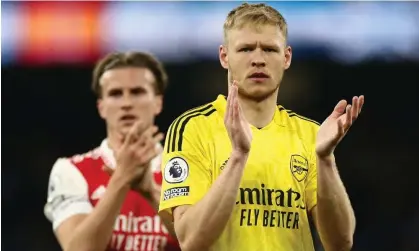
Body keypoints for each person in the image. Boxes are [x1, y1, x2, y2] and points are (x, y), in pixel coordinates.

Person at [158, 3, 364, 251]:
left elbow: (340, 243)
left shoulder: (310, 134)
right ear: (224, 56)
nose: (258, 59)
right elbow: (191, 240)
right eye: (245, 49)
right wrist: (238, 156)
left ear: (286, 57)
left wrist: (325, 158)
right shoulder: (191, 128)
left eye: (269, 49)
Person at [44, 52, 180, 251]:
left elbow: (205, 242)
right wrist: (122, 179)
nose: (126, 103)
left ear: (158, 103)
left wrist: (151, 192)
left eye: (137, 92)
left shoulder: (187, 168)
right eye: (115, 94)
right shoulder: (71, 171)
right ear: (101, 107)